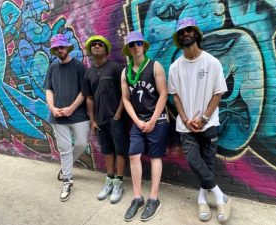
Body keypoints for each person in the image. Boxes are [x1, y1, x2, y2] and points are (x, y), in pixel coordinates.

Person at [168, 17, 231, 222]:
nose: (185, 34)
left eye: (189, 30)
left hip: (209, 123)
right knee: (194, 161)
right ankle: (221, 196)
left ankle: (202, 198)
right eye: (182, 32)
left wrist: (203, 119)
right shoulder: (175, 67)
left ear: (196, 34)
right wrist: (185, 119)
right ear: (179, 38)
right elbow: (175, 96)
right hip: (186, 126)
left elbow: (218, 93)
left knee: (208, 164)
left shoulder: (212, 62)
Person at [121, 31, 168, 222]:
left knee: (156, 156)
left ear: (144, 45)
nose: (135, 47)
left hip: (158, 118)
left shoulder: (155, 66)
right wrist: (138, 121)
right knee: (133, 154)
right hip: (138, 120)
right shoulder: (125, 72)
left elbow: (164, 94)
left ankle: (154, 199)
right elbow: (125, 99)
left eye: (138, 43)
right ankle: (137, 197)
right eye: (131, 44)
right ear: (129, 49)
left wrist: (153, 120)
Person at [44, 34, 90, 202]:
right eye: (56, 48)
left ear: (68, 48)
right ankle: (67, 180)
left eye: (61, 47)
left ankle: (65, 167)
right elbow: (49, 90)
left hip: (78, 114)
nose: (59, 50)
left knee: (81, 144)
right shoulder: (52, 68)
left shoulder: (79, 67)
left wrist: (71, 108)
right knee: (64, 149)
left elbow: (84, 91)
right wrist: (52, 107)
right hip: (58, 116)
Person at [82, 35, 127, 204]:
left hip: (116, 119)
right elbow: (89, 98)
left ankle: (119, 183)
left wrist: (117, 115)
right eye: (93, 45)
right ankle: (109, 180)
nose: (96, 46)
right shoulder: (89, 73)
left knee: (120, 150)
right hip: (100, 121)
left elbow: (125, 93)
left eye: (100, 44)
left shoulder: (115, 68)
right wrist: (93, 120)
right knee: (108, 151)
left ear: (106, 49)